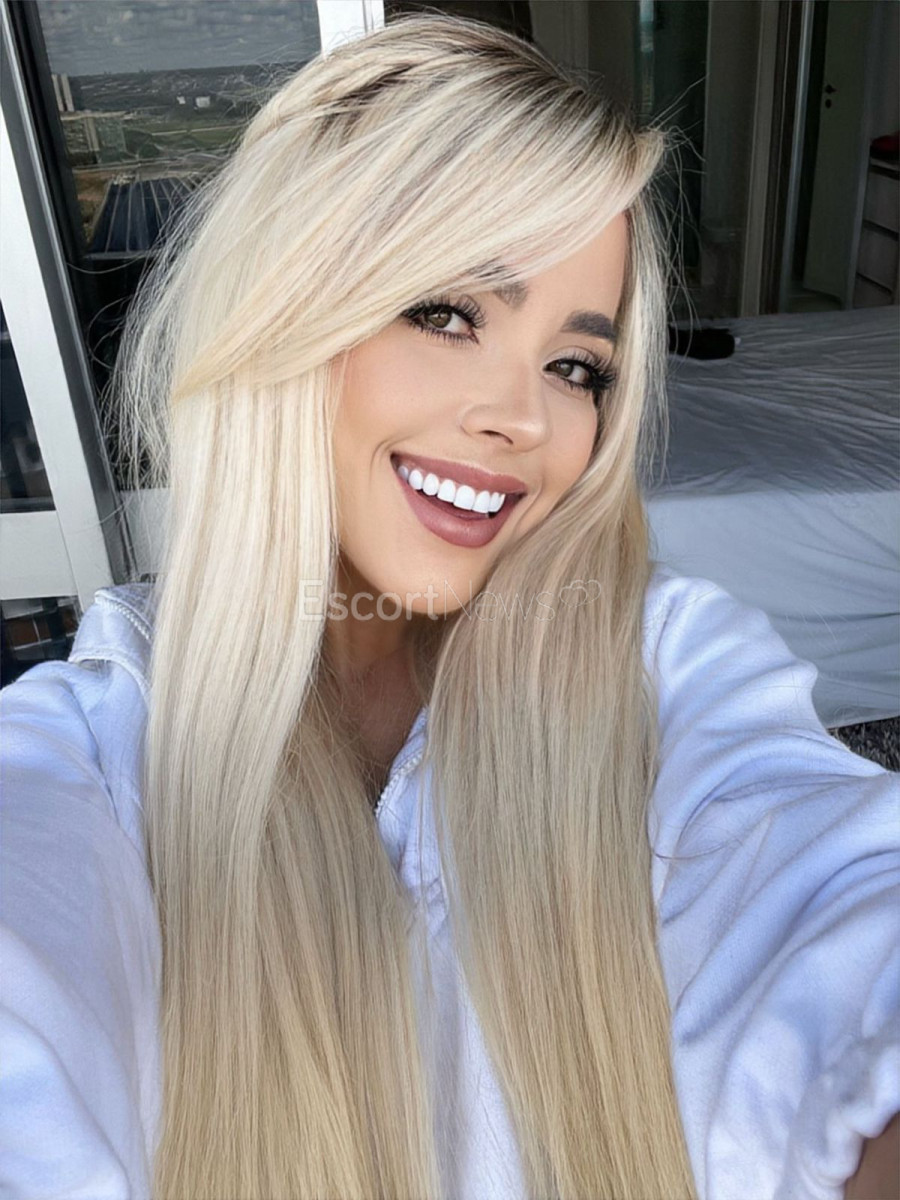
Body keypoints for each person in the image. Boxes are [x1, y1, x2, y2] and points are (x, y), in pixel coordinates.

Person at [1, 14, 897, 1200]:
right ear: (285, 311)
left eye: (576, 367)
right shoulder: (97, 752)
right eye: (448, 312)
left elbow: (825, 882)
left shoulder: (660, 659)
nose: (523, 418)